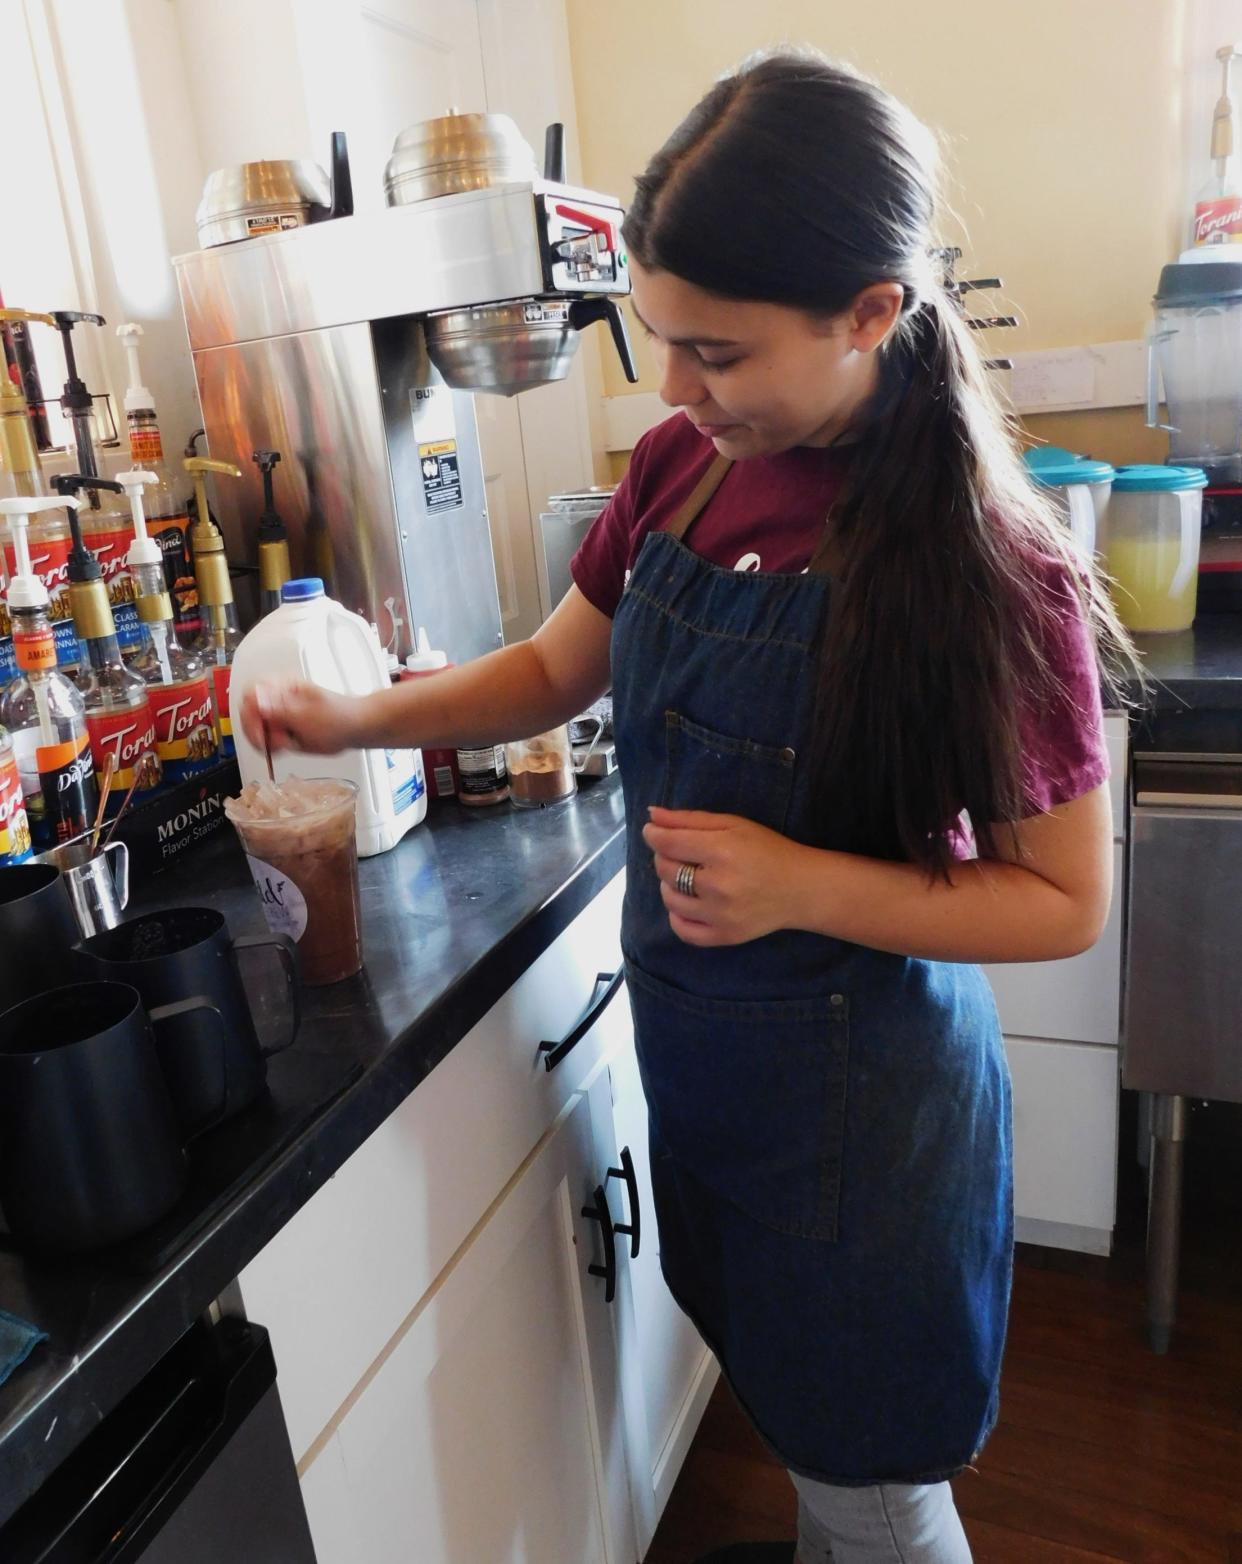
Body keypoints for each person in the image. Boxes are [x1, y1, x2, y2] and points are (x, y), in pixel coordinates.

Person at [241, 48, 1137, 1564]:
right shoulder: (680, 469)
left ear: (871, 316)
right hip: (712, 1072)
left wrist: (796, 884)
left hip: (866, 1122)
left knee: (873, 1481)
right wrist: (359, 713)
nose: (671, 391)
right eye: (657, 340)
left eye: (716, 353)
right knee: (802, 1432)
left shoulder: (990, 567)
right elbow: (545, 672)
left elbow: (1063, 902)